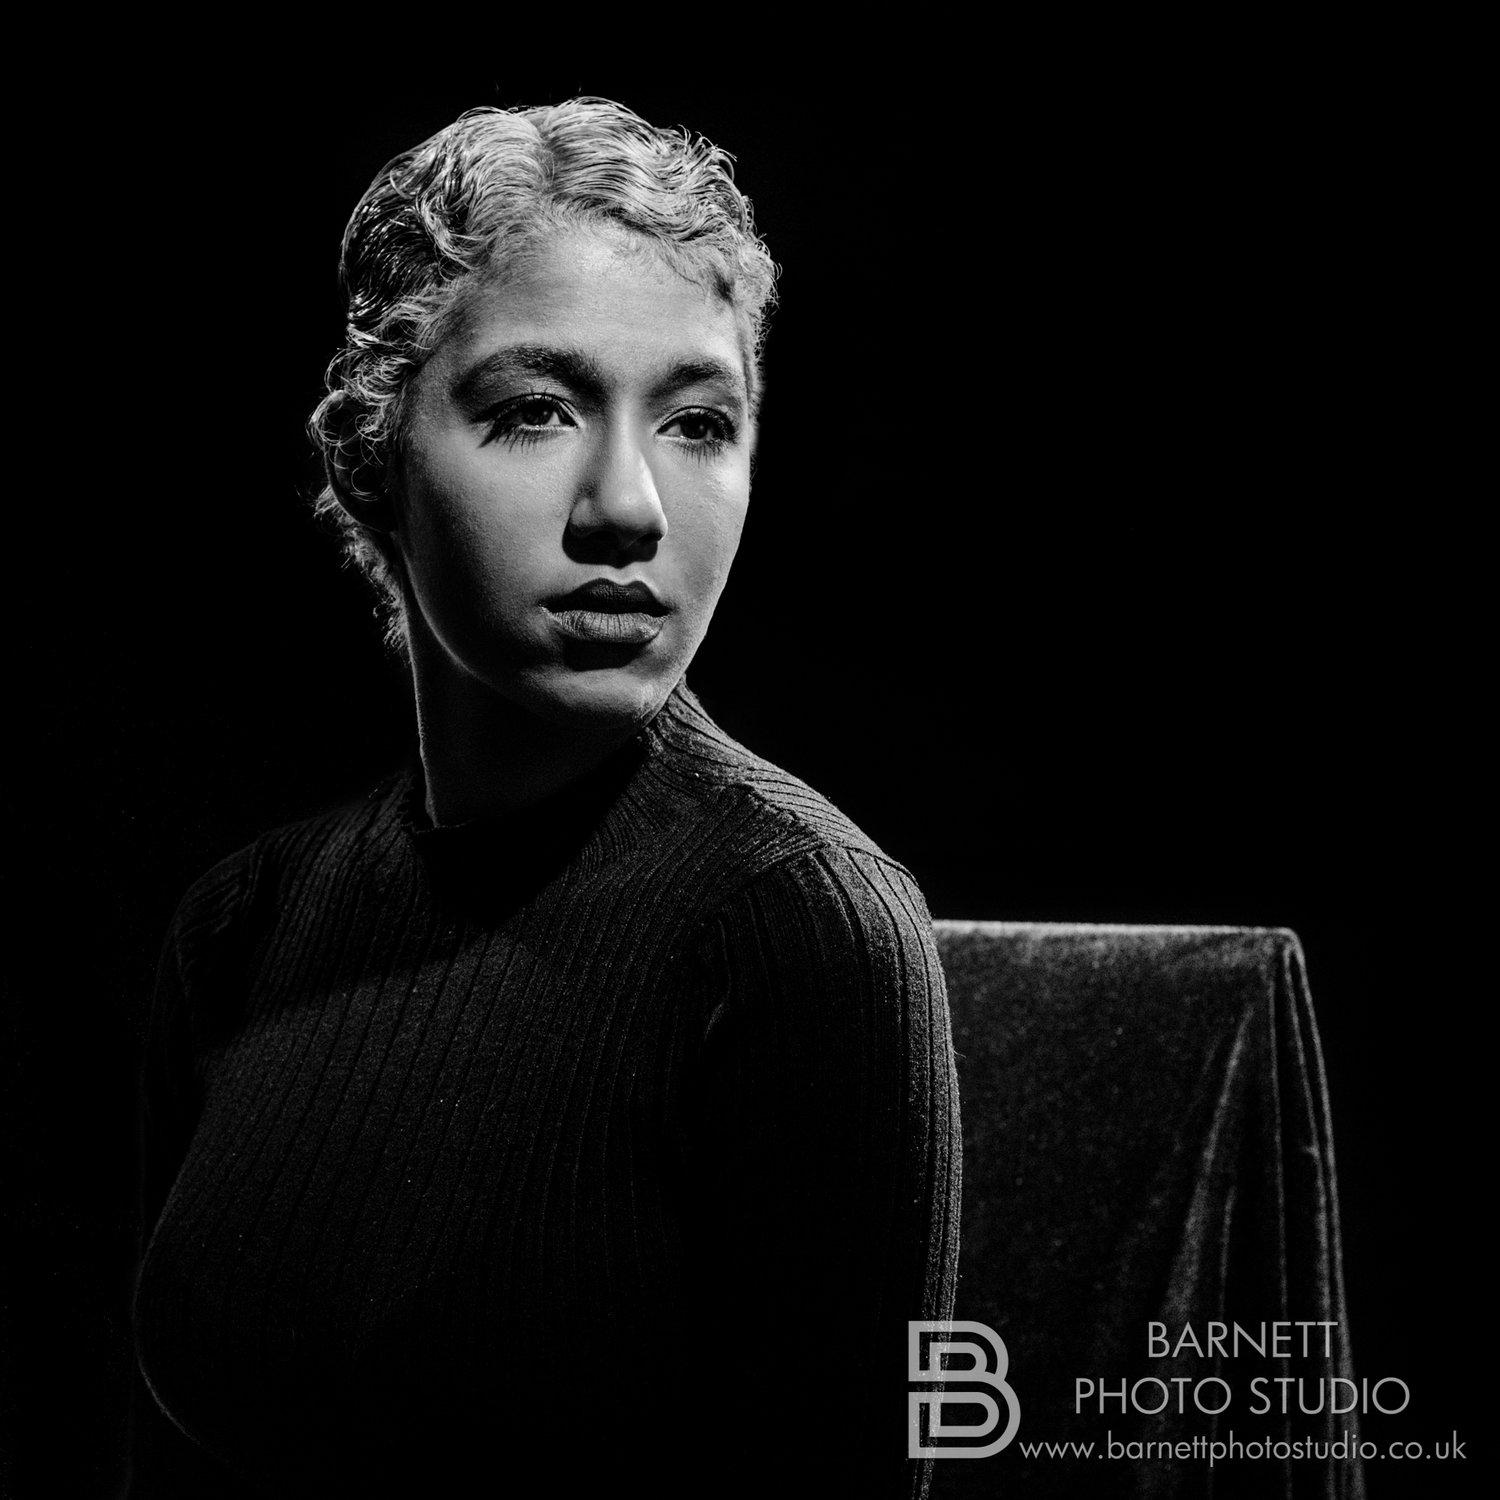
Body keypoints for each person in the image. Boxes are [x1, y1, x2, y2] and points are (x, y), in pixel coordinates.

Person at [131, 98, 961, 1499]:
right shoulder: (242, 931)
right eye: (536, 409)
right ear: (370, 456)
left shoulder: (797, 927)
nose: (628, 506)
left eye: (699, 420)